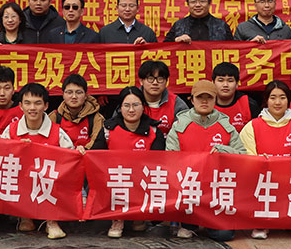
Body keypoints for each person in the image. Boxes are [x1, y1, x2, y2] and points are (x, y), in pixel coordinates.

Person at [165, 80, 244, 241]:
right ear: (192, 100)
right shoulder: (180, 125)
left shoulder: (226, 125)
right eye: (200, 97)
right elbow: (170, 159)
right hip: (188, 189)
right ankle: (187, 222)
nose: (204, 101)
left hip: (217, 192)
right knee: (184, 230)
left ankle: (206, 222)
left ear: (215, 100)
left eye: (209, 97)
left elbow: (242, 155)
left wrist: (223, 150)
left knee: (224, 235)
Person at [240, 79, 291, 239]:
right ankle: (261, 222)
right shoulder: (252, 126)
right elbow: (244, 156)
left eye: (282, 97)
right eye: (273, 97)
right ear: (266, 100)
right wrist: (257, 161)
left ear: (288, 100)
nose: (277, 102)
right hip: (263, 184)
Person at [91, 87, 165, 239]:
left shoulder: (154, 131)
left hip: (142, 181)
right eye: (126, 105)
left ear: (143, 106)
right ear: (120, 107)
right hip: (116, 181)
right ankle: (117, 219)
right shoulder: (108, 129)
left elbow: (160, 163)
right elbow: (95, 157)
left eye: (136, 105)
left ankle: (138, 215)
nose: (131, 110)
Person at [2, 82, 72, 239]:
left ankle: (51, 220)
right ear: (20, 106)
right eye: (27, 103)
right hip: (22, 183)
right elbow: (0, 157)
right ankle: (24, 216)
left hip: (49, 183)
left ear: (46, 106)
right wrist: (16, 150)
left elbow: (71, 160)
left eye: (37, 103)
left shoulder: (57, 132)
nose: (32, 108)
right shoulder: (11, 129)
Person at [51, 74, 104, 149]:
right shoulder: (54, 117)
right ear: (63, 95)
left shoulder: (96, 118)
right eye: (69, 92)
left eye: (78, 92)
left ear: (85, 95)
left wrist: (83, 150)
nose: (74, 96)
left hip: (86, 157)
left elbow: (97, 142)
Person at [164, 0, 232, 42]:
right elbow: (165, 49)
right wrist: (176, 40)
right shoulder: (178, 25)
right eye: (193, 2)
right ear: (188, 4)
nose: (198, 5)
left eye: (202, 1)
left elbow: (233, 50)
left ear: (209, 3)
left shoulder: (222, 26)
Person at [139, 60, 189, 133]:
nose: (155, 83)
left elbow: (185, 133)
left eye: (160, 79)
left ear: (166, 81)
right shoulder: (131, 101)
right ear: (141, 81)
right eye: (150, 78)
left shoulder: (177, 104)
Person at [211, 62, 260, 131]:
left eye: (230, 81)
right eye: (220, 80)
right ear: (213, 83)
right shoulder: (205, 104)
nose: (225, 85)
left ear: (237, 84)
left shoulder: (249, 104)